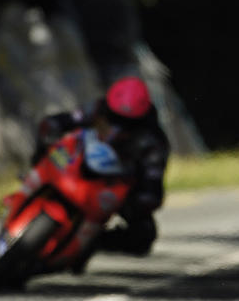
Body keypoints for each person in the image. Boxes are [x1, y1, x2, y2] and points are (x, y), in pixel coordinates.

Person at [32, 76, 170, 273]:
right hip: (78, 163)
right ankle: (34, 178)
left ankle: (90, 243)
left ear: (141, 120)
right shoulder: (98, 108)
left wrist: (140, 200)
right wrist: (51, 133)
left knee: (144, 236)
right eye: (114, 118)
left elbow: (153, 184)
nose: (118, 127)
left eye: (127, 123)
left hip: (114, 186)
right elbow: (62, 120)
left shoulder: (154, 142)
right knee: (45, 145)